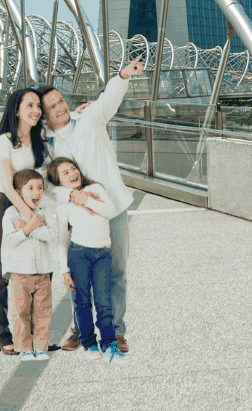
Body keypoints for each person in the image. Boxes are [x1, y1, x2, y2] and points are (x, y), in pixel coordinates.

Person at [38, 55, 143, 353]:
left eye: (60, 101)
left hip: (113, 208)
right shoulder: (47, 145)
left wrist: (123, 75)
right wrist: (71, 196)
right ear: (45, 115)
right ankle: (79, 328)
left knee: (118, 270)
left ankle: (117, 331)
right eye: (53, 106)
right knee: (80, 273)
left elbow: (109, 98)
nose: (60, 107)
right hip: (80, 216)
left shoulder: (90, 117)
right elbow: (47, 185)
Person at [0, 87, 47, 355]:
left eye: (38, 106)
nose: (36, 111)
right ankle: (2, 335)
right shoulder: (4, 141)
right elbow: (9, 186)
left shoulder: (37, 138)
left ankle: (32, 336)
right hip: (0, 207)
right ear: (16, 109)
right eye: (29, 105)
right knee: (1, 272)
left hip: (24, 207)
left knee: (32, 271)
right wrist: (30, 217)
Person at [46, 155, 120, 359]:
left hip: (103, 254)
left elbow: (111, 211)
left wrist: (85, 199)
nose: (72, 173)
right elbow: (62, 241)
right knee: (82, 301)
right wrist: (64, 270)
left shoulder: (95, 190)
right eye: (66, 172)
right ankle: (89, 344)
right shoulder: (63, 208)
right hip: (79, 255)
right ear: (59, 183)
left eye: (73, 168)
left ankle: (108, 343)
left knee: (104, 301)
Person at [1, 169, 57, 358]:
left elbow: (51, 235)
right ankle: (24, 349)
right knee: (21, 314)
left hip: (43, 273)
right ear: (19, 192)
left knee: (43, 313)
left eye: (40, 188)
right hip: (20, 273)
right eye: (30, 188)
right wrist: (30, 229)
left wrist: (27, 229)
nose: (36, 193)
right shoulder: (10, 213)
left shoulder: (45, 212)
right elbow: (10, 240)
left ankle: (40, 348)